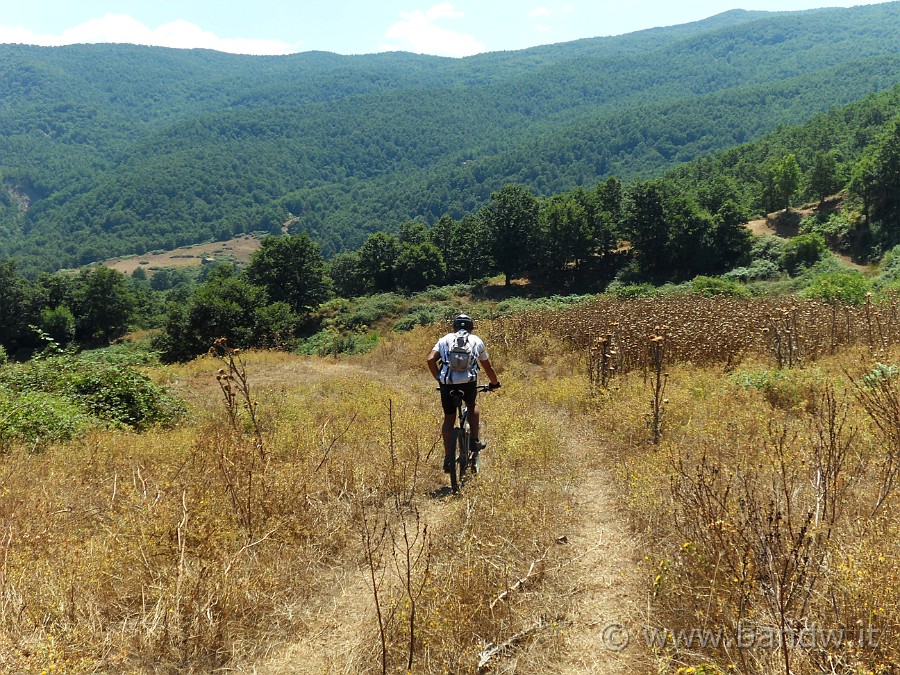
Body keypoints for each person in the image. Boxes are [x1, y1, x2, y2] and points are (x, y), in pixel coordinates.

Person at [427, 314, 500, 472]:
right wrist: (495, 383)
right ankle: (474, 440)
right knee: (472, 405)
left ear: (453, 327)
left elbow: (430, 360)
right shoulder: (476, 340)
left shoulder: (444, 339)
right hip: (468, 382)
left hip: (447, 383)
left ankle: (448, 458)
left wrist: (439, 378)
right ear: (471, 328)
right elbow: (487, 367)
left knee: (449, 419)